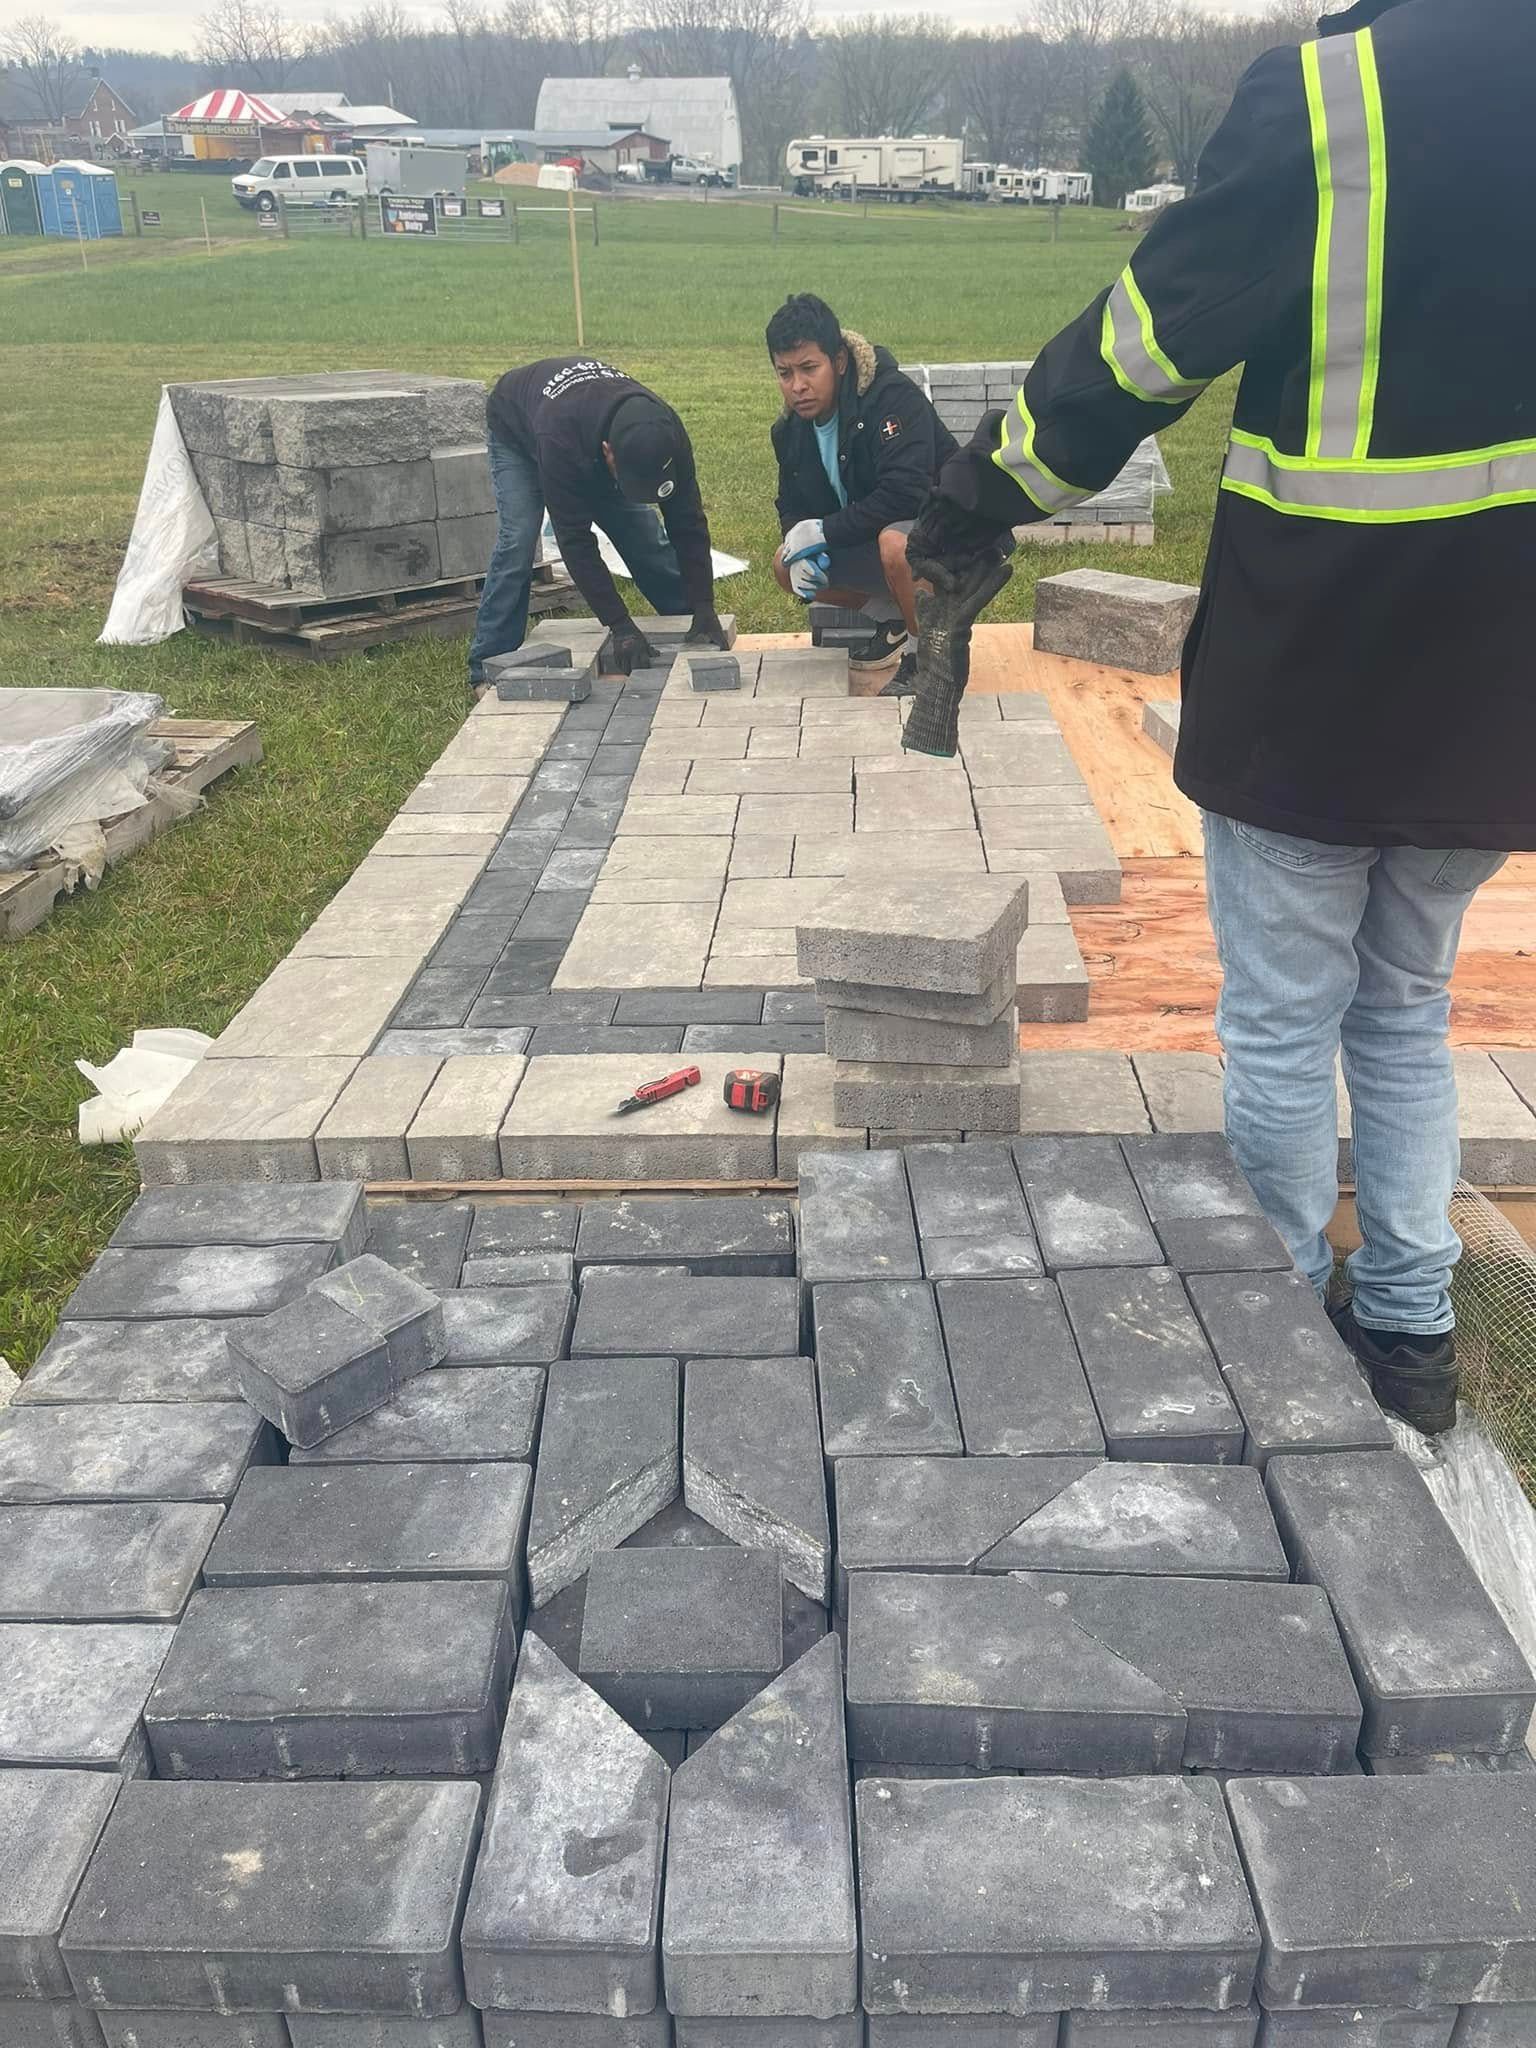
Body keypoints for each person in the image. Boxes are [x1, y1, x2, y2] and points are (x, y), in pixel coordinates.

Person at [909, 0, 1535, 1433]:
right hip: (1495, 684)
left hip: (1315, 665)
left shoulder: (1336, 96)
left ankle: (1276, 1305)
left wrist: (984, 487)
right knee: (1409, 1009)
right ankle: (1412, 1331)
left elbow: (1143, 347)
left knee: (1281, 1016)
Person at [469, 357, 729, 684]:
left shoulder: (666, 431)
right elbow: (575, 540)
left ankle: (687, 621)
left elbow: (687, 521)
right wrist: (620, 625)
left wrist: (703, 604)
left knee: (643, 534)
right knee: (519, 540)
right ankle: (487, 663)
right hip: (518, 429)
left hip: (586, 429)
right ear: (609, 452)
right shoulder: (559, 437)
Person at [767, 293, 958, 697]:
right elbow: (792, 503)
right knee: (784, 565)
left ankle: (931, 656)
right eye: (785, 373)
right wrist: (797, 538)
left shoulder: (891, 398)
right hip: (879, 534)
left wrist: (824, 531)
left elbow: (908, 495)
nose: (797, 386)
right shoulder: (790, 432)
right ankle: (892, 617)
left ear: (837, 361)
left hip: (952, 536)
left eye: (808, 368)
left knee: (897, 545)